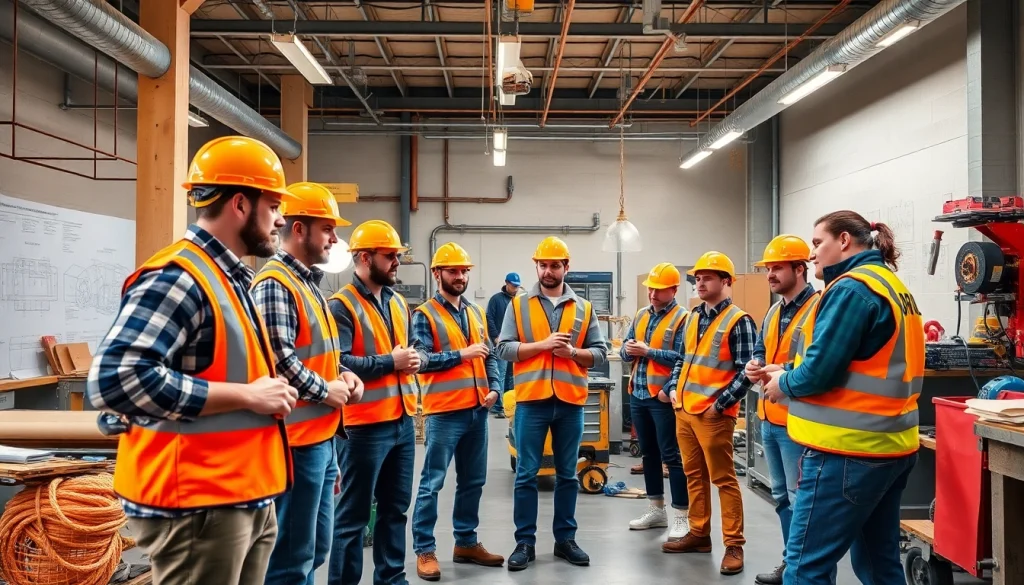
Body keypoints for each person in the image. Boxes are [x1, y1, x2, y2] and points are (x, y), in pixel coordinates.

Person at [86, 136, 300, 585]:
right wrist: (247, 396)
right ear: (240, 204)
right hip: (199, 505)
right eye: (273, 205)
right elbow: (116, 379)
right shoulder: (180, 276)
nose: (280, 219)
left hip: (240, 495)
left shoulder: (229, 276)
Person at [762, 211, 924, 585]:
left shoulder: (851, 289)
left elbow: (818, 373)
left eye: (818, 243)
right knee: (880, 565)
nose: (812, 253)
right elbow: (855, 360)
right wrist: (787, 370)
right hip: (891, 448)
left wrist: (783, 384)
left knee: (805, 568)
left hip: (846, 453)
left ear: (845, 241)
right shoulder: (891, 285)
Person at [251, 182, 365, 585]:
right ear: (298, 229)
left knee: (314, 548)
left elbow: (317, 351)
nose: (334, 239)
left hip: (322, 436)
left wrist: (344, 375)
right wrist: (325, 390)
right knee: (290, 558)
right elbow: (279, 361)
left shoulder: (307, 283)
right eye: (327, 229)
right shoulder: (275, 284)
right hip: (295, 440)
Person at [495, 236, 608, 571]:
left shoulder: (584, 308)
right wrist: (542, 345)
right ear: (537, 266)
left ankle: (565, 540)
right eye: (543, 265)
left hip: (570, 403)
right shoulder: (519, 305)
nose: (548, 271)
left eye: (554, 265)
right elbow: (503, 349)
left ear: (566, 267)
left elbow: (600, 353)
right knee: (526, 475)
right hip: (532, 401)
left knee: (567, 476)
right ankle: (524, 543)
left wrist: (573, 353)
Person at [326, 219, 419, 585]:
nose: (397, 262)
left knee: (395, 510)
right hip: (363, 427)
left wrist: (412, 359)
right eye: (390, 255)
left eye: (397, 255)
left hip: (402, 422)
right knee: (352, 517)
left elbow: (406, 350)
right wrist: (390, 363)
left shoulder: (398, 303)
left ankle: (392, 579)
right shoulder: (341, 306)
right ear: (364, 258)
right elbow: (338, 362)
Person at [410, 242, 505, 581]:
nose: (460, 276)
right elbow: (420, 361)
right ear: (437, 274)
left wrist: (495, 388)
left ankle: (465, 542)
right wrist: (462, 355)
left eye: (464, 271)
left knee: (473, 481)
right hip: (445, 412)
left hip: (477, 411)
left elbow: (489, 355)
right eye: (453, 271)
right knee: (432, 483)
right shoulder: (424, 315)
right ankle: (424, 549)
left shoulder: (475, 312)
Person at [662, 251, 756, 576]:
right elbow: (682, 358)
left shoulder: (739, 321)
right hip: (685, 410)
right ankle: (699, 533)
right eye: (698, 278)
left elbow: (747, 371)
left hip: (714, 415)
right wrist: (674, 388)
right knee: (693, 475)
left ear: (726, 281)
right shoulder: (692, 317)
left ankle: (734, 545)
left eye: (707, 278)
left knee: (724, 479)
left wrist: (720, 404)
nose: (700, 283)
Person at [743, 235, 820, 585]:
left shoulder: (819, 307)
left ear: (800, 269)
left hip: (799, 421)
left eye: (777, 268)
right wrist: (755, 364)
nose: (770, 275)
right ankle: (791, 564)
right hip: (769, 417)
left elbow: (818, 360)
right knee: (781, 498)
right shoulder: (774, 310)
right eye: (768, 269)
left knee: (800, 499)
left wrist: (781, 369)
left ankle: (804, 569)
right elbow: (761, 349)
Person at [620, 262, 689, 541]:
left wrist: (648, 352)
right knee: (648, 454)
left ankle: (681, 515)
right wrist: (628, 350)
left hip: (662, 396)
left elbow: (684, 358)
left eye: (659, 290)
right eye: (650, 289)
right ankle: (656, 510)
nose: (652, 294)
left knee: (672, 456)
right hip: (637, 393)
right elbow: (625, 350)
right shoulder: (641, 315)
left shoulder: (683, 319)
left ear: (674, 290)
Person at [486, 272, 521, 418]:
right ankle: (497, 406)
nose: (515, 288)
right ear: (506, 283)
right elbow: (489, 318)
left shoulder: (519, 301)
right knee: (500, 374)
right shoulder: (496, 300)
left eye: (517, 286)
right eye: (513, 286)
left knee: (511, 376)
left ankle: (509, 405)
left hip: (515, 344)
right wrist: (495, 337)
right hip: (500, 344)